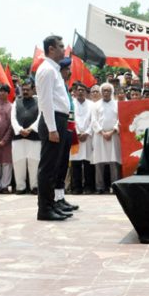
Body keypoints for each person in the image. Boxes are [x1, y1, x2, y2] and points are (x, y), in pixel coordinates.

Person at [35, 35, 72, 220]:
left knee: (55, 167)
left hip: (59, 119)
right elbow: (46, 101)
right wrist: (52, 128)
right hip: (53, 120)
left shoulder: (54, 70)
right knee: (48, 168)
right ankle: (45, 209)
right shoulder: (47, 70)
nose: (64, 49)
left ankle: (52, 204)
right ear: (51, 49)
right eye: (61, 46)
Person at [53, 58, 78, 214]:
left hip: (68, 129)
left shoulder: (65, 87)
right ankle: (55, 199)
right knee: (57, 165)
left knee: (63, 165)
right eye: (67, 69)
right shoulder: (58, 87)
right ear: (61, 70)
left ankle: (60, 197)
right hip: (60, 129)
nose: (69, 72)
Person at [11, 80, 40, 194]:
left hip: (34, 136)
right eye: (23, 90)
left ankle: (34, 186)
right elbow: (12, 117)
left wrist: (30, 129)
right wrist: (19, 129)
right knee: (19, 162)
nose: (25, 91)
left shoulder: (38, 101)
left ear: (33, 89)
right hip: (19, 136)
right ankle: (20, 187)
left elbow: (40, 117)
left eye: (28, 89)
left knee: (34, 162)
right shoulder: (16, 101)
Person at [91, 82, 121, 193]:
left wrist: (112, 131)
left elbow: (120, 120)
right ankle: (99, 187)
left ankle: (115, 186)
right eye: (104, 90)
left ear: (111, 92)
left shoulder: (117, 104)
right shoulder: (95, 105)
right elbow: (93, 120)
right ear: (101, 92)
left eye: (108, 90)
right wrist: (102, 132)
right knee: (99, 162)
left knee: (114, 162)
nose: (106, 92)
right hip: (100, 136)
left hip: (113, 136)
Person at [69, 82, 95, 194]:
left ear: (86, 92)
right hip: (75, 137)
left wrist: (87, 132)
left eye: (83, 90)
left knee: (88, 163)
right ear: (75, 92)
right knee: (76, 163)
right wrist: (78, 133)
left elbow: (94, 120)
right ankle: (76, 187)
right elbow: (70, 120)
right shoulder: (71, 104)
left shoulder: (92, 104)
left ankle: (89, 187)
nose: (80, 92)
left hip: (88, 137)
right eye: (78, 90)